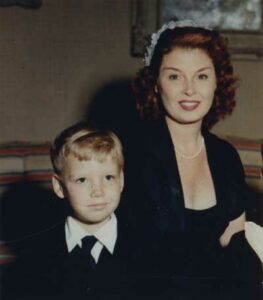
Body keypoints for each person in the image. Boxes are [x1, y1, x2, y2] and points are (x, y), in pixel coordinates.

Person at [127, 20, 262, 299]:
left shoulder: (226, 157)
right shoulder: (132, 154)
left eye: (201, 76)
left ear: (217, 82)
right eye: (174, 76)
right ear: (154, 84)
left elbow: (237, 250)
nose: (189, 90)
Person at [3, 122, 138, 300]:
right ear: (59, 186)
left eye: (108, 177)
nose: (98, 191)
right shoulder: (36, 257)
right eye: (82, 180)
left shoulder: (145, 247)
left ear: (121, 180)